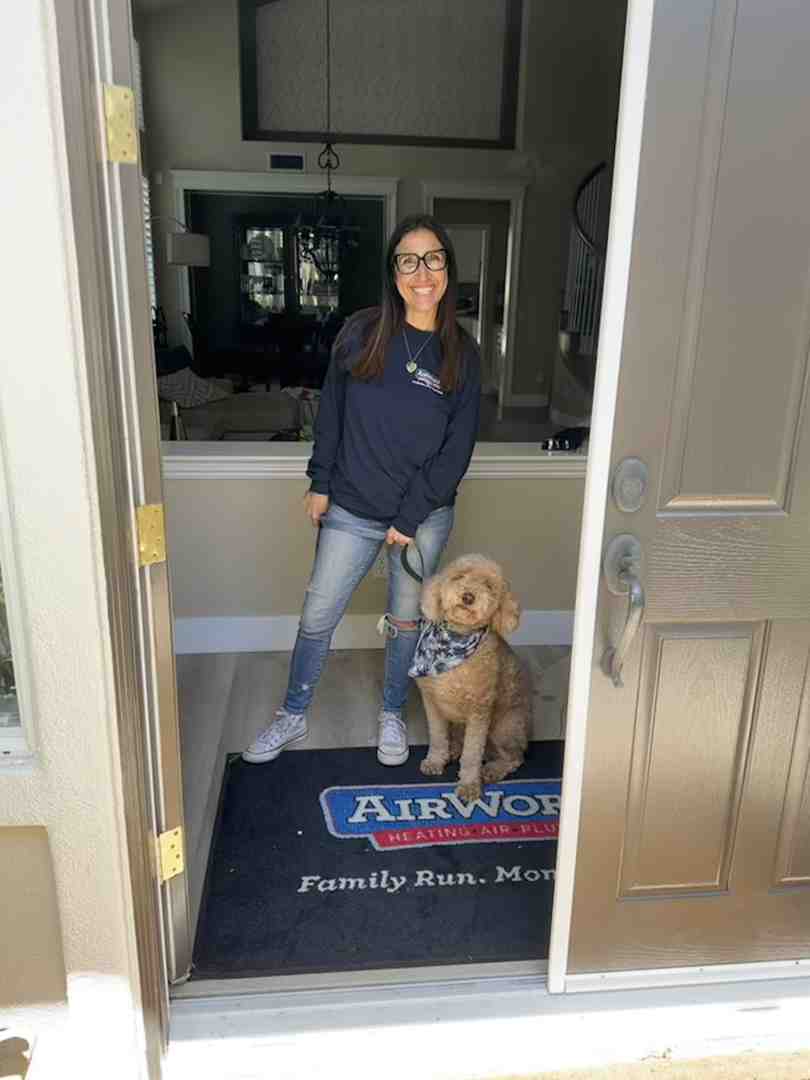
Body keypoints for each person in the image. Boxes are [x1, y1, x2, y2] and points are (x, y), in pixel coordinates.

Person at [242, 214, 481, 767]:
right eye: (408, 260)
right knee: (318, 614)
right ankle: (292, 714)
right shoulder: (362, 331)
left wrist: (410, 514)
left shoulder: (462, 354)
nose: (422, 272)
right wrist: (320, 482)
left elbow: (456, 451)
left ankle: (392, 714)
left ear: (447, 267)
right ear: (393, 272)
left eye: (434, 258)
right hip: (351, 504)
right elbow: (332, 411)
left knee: (405, 620)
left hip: (421, 516)